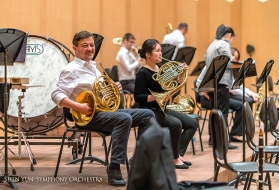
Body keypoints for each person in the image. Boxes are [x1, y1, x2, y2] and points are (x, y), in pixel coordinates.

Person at [51, 30, 156, 187]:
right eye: (84, 45)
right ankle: (114, 168)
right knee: (124, 118)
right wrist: (79, 106)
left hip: (104, 113)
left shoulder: (93, 67)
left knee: (148, 114)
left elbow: (101, 90)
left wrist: (114, 87)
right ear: (75, 48)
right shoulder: (71, 69)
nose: (89, 48)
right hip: (86, 117)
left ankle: (139, 158)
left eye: (91, 45)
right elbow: (56, 95)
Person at [134, 39, 199, 169]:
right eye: (157, 51)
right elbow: (137, 97)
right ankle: (174, 159)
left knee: (192, 123)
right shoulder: (143, 73)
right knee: (176, 124)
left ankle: (178, 154)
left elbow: (168, 87)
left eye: (160, 51)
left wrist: (180, 75)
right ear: (148, 54)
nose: (160, 54)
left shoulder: (158, 69)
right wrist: (155, 97)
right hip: (149, 110)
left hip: (161, 108)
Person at [196, 24, 243, 146]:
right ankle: (223, 141)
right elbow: (226, 63)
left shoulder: (211, 45)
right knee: (223, 113)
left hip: (211, 83)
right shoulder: (224, 44)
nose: (231, 41)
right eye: (232, 38)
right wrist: (240, 65)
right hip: (221, 83)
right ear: (228, 35)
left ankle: (214, 139)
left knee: (214, 112)